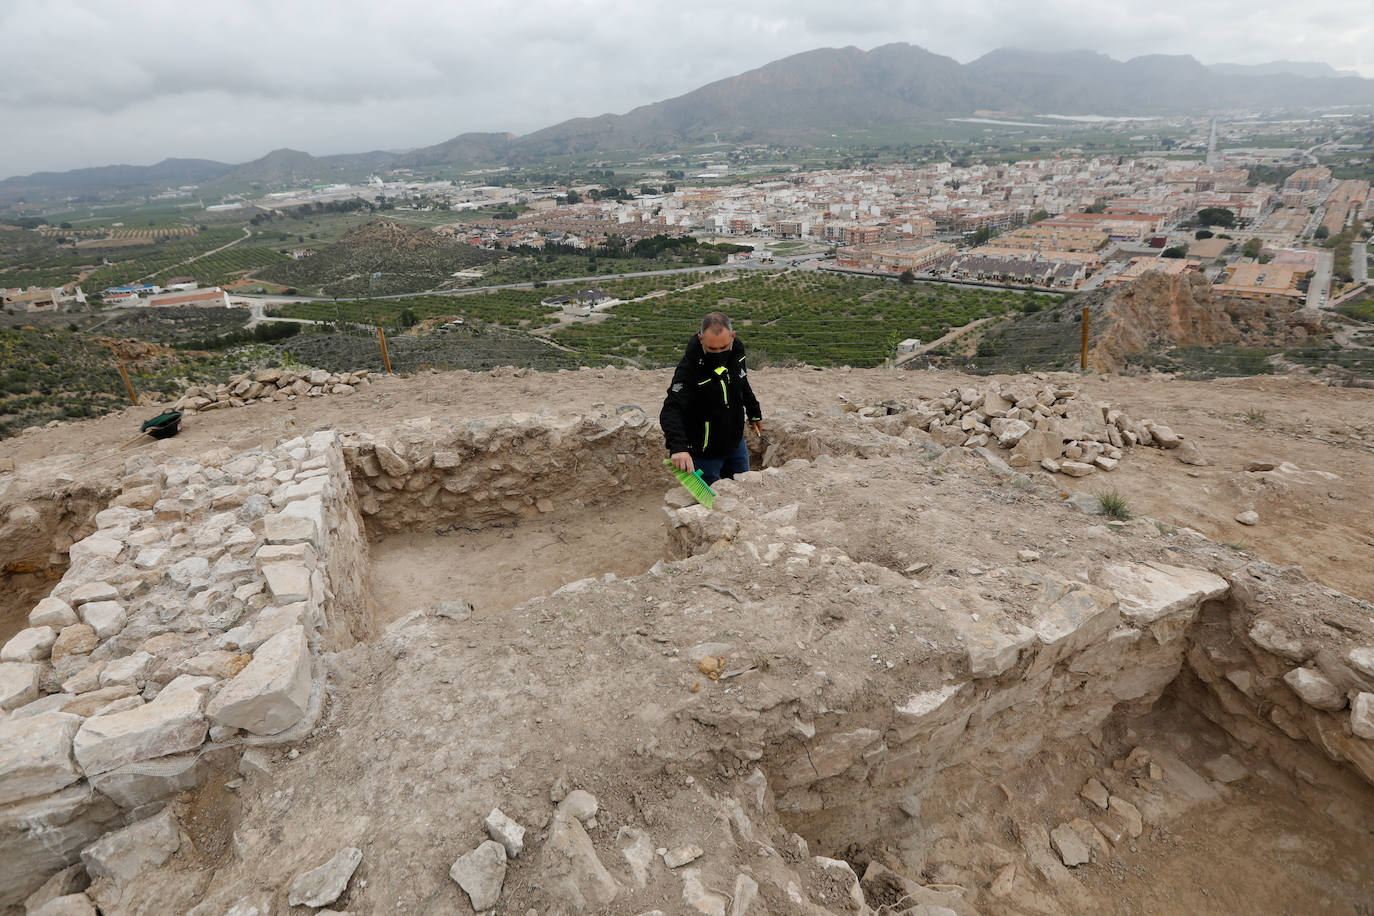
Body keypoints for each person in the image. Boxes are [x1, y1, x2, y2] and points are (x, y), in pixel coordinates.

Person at [660, 312, 763, 485]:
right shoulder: (689, 368)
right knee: (710, 505)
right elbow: (671, 409)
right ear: (701, 339)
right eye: (712, 349)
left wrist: (754, 411)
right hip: (704, 453)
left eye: (723, 348)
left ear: (732, 336)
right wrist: (678, 448)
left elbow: (742, 382)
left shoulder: (737, 350)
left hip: (735, 444)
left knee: (743, 494)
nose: (719, 354)